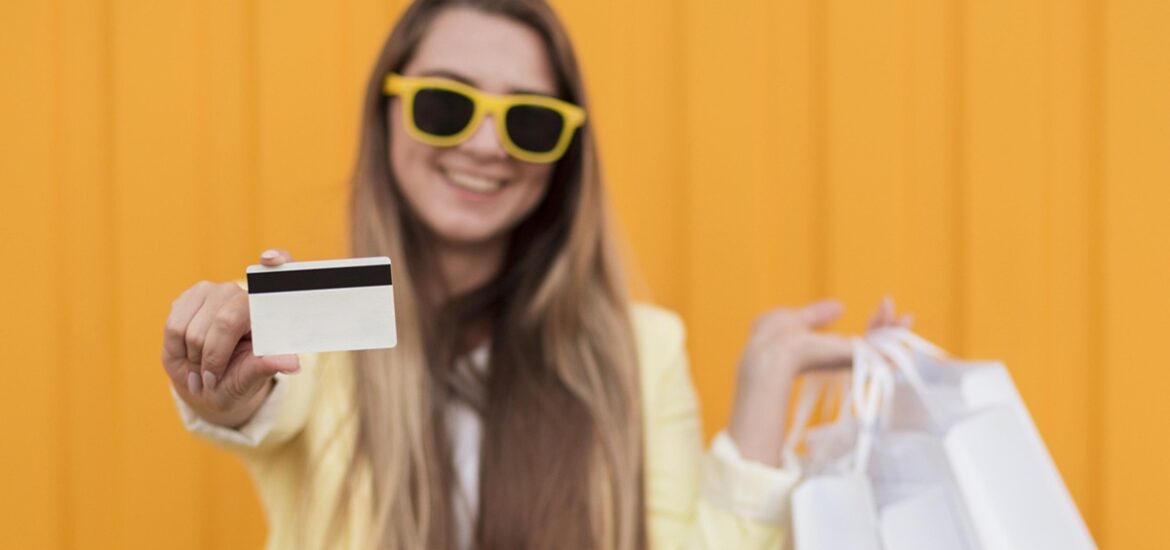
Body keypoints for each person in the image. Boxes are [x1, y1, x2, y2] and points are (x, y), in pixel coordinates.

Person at [161, 0, 910, 548]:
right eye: (445, 106)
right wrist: (224, 382)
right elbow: (259, 407)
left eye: (531, 121)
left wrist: (765, 385)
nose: (488, 144)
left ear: (564, 156)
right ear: (386, 111)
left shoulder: (640, 350)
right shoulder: (319, 329)